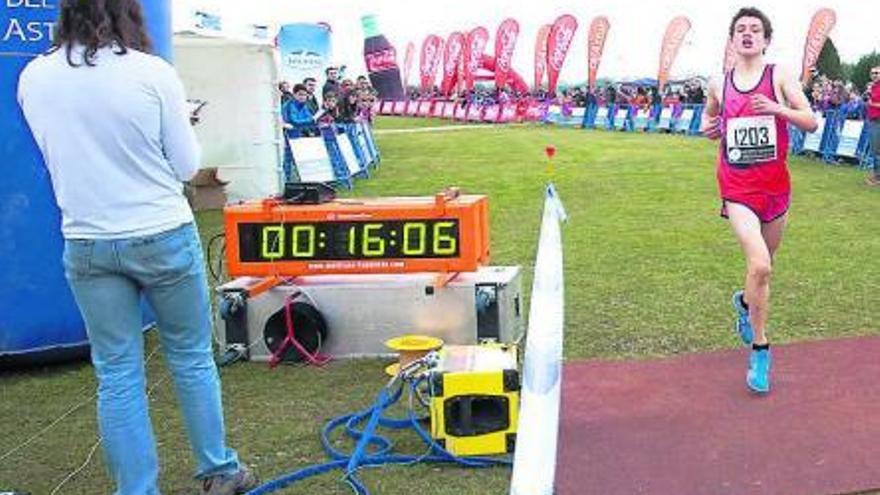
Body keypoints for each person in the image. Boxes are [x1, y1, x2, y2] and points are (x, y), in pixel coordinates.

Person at [16, 1, 257, 494]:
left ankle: (137, 489)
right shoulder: (152, 72)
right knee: (190, 357)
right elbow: (187, 167)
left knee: (117, 373)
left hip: (88, 240)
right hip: (160, 232)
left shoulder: (34, 76)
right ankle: (218, 470)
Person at [700, 7, 817, 393]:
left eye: (755, 30)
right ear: (732, 40)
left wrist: (776, 108)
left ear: (766, 39)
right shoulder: (719, 82)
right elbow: (707, 122)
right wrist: (710, 129)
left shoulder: (779, 75)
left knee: (762, 272)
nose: (747, 35)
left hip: (775, 189)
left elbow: (810, 120)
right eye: (740, 30)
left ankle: (745, 304)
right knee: (761, 265)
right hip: (737, 187)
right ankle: (761, 350)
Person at [865, 66, 880, 186]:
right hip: (872, 120)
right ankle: (876, 175)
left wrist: (872, 104)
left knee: (876, 150)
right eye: (872, 73)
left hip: (878, 120)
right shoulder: (872, 87)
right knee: (874, 150)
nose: (874, 75)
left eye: (877, 73)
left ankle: (877, 177)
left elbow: (874, 103)